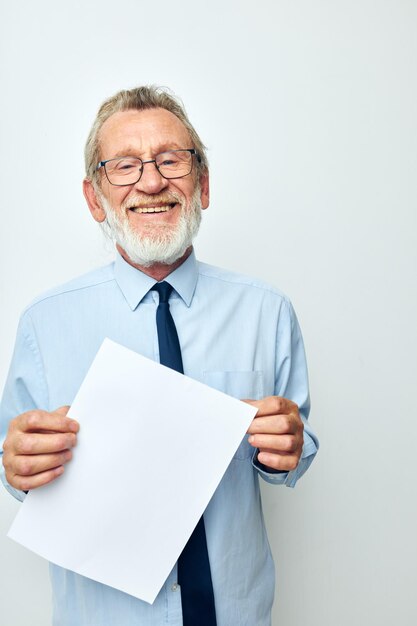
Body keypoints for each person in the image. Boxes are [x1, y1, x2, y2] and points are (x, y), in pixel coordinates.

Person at [0, 86, 318, 626]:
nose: (151, 181)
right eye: (124, 166)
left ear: (204, 184)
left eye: (172, 159)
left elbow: (296, 449)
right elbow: (13, 464)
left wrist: (291, 443)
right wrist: (17, 465)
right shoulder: (44, 323)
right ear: (94, 197)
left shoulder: (268, 311)